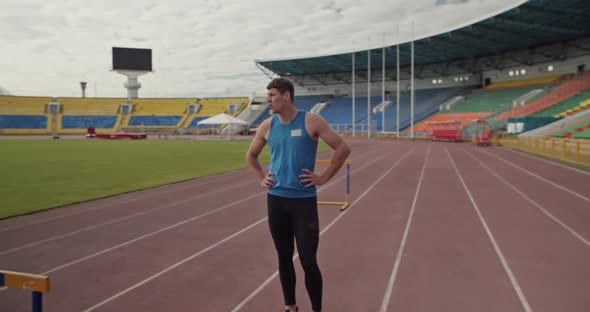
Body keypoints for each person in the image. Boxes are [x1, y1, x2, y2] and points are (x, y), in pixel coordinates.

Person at [246, 78, 351, 312]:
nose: (269, 100)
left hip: (303, 203)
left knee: (308, 260)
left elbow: (343, 148)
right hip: (276, 200)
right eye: (268, 96)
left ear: (287, 95)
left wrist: (323, 178)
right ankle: (290, 307)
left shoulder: (311, 120)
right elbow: (251, 156)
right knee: (284, 258)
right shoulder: (267, 125)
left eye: (272, 95)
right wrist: (261, 178)